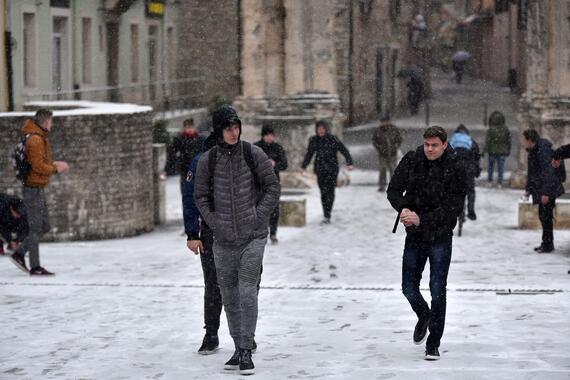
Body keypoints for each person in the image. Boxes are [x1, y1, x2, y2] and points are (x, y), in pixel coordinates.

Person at [194, 105, 280, 376]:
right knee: (229, 296)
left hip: (253, 236)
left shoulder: (253, 153)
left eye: (237, 127)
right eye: (228, 128)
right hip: (223, 239)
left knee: (246, 290)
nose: (234, 132)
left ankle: (245, 349)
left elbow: (272, 187)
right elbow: (200, 197)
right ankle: (238, 345)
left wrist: (258, 216)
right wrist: (214, 221)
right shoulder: (209, 160)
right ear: (219, 130)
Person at [387, 126, 467, 361]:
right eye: (427, 145)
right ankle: (424, 315)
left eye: (434, 145)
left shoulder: (456, 166)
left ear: (444, 144)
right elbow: (393, 190)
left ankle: (433, 343)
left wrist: (424, 219)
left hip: (441, 235)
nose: (429, 149)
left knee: (437, 288)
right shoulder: (412, 160)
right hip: (414, 235)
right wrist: (405, 209)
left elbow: (453, 207)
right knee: (408, 287)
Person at [9, 109, 69, 276]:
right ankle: (35, 267)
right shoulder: (35, 139)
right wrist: (56, 169)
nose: (52, 124)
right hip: (32, 188)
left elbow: (39, 162)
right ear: (46, 122)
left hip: (37, 187)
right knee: (35, 228)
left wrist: (53, 164)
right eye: (51, 121)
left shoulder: (37, 137)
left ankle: (19, 253)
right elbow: (38, 167)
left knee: (44, 226)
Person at [182, 134, 223, 355]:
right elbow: (190, 199)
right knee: (213, 284)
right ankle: (211, 333)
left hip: (237, 231)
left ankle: (245, 336)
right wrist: (192, 233)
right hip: (210, 230)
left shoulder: (241, 157)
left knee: (241, 285)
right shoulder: (200, 162)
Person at [301, 120, 354, 224]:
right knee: (323, 192)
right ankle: (326, 214)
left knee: (330, 191)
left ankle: (328, 212)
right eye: (318, 129)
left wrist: (349, 163)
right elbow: (309, 154)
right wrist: (303, 166)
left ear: (326, 129)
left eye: (322, 128)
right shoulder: (314, 140)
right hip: (320, 169)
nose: (320, 130)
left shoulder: (333, 139)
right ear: (316, 130)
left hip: (332, 169)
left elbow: (344, 150)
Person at [523, 129, 565, 253]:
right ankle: (546, 243)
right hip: (543, 187)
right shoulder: (534, 151)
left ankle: (548, 244)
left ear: (530, 140)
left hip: (549, 187)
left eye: (524, 140)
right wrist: (528, 190)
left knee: (546, 216)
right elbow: (532, 173)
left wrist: (546, 193)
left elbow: (548, 173)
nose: (523, 143)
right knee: (543, 215)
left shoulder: (543, 151)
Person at [254, 125, 288, 244]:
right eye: (267, 135)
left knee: (274, 209)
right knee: (259, 208)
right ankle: (260, 233)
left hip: (273, 182)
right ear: (263, 136)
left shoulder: (277, 147)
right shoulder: (256, 147)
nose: (269, 137)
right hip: (258, 183)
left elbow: (285, 164)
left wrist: (275, 164)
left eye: (271, 135)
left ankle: (273, 234)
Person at [164, 118, 205, 194]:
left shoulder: (201, 140)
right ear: (184, 128)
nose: (189, 130)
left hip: (199, 171)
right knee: (187, 194)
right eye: (187, 127)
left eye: (191, 127)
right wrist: (168, 169)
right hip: (185, 171)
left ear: (194, 127)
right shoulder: (180, 140)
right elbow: (171, 154)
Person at [449, 125, 481, 220]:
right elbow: (476, 157)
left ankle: (458, 211)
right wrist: (477, 170)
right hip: (468, 168)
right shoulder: (470, 141)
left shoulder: (452, 140)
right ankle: (471, 211)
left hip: (456, 168)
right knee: (470, 190)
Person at [372, 114, 402, 192]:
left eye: (386, 121)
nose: (385, 123)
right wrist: (379, 148)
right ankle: (382, 186)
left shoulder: (394, 129)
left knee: (393, 170)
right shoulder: (378, 130)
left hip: (392, 153)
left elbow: (399, 139)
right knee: (382, 170)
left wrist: (395, 147)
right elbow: (374, 141)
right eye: (383, 122)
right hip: (382, 154)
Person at [484, 111, 511, 188]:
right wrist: (508, 150)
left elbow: (488, 141)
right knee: (501, 168)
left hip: (492, 151)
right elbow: (509, 141)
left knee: (490, 167)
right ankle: (500, 182)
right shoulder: (505, 129)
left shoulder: (491, 129)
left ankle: (490, 180)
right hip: (502, 151)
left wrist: (485, 150)